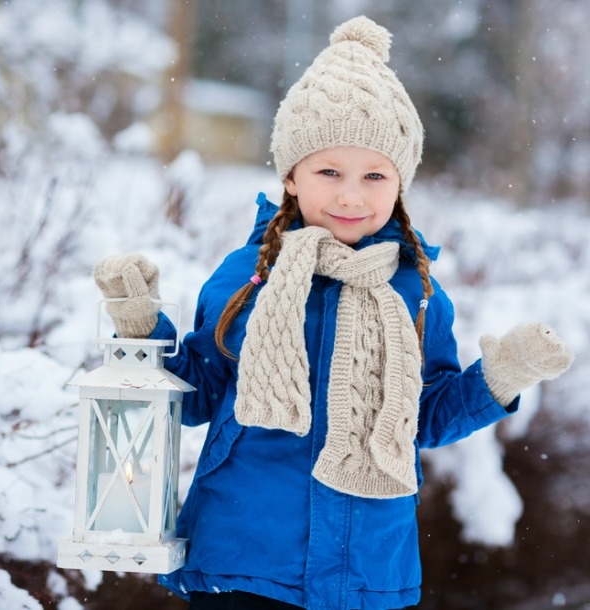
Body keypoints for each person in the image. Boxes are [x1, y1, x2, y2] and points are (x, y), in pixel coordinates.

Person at [92, 15, 574, 610]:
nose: (351, 194)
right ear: (291, 177)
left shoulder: (418, 295)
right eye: (329, 172)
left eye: (375, 175)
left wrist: (498, 380)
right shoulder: (246, 279)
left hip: (364, 568)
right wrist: (142, 329)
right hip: (243, 557)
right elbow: (194, 397)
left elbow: (421, 418)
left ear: (401, 184)